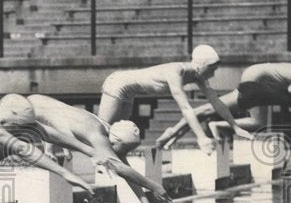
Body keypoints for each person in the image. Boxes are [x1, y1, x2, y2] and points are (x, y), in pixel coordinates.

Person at [155, 62, 291, 148]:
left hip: (260, 87)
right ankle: (172, 132)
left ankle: (174, 132)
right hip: (254, 84)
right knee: (204, 111)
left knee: (252, 121)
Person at [25, 94, 173, 203]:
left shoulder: (109, 131)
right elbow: (118, 166)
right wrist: (154, 186)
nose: (123, 154)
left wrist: (144, 201)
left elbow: (124, 167)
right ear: (116, 141)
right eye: (124, 150)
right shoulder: (95, 132)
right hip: (30, 109)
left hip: (42, 106)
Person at [97, 45, 252, 155]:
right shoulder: (176, 71)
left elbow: (216, 102)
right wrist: (201, 137)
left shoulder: (198, 77)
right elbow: (185, 108)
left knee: (119, 137)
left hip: (129, 92)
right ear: (203, 65)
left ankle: (109, 168)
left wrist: (235, 127)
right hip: (117, 84)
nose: (213, 74)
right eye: (212, 69)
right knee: (101, 130)